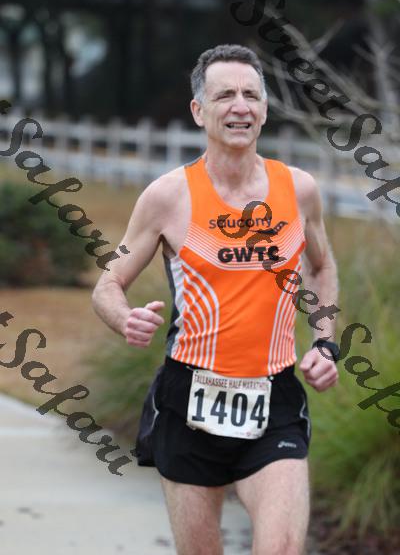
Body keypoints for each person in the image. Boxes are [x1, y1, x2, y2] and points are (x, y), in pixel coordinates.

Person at [92, 44, 339, 555]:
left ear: (265, 110)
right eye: (224, 95)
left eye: (251, 95)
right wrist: (125, 319)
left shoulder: (299, 189)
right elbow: (108, 285)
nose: (240, 106)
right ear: (199, 111)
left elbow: (320, 265)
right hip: (189, 399)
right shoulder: (168, 196)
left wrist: (325, 341)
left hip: (275, 397)